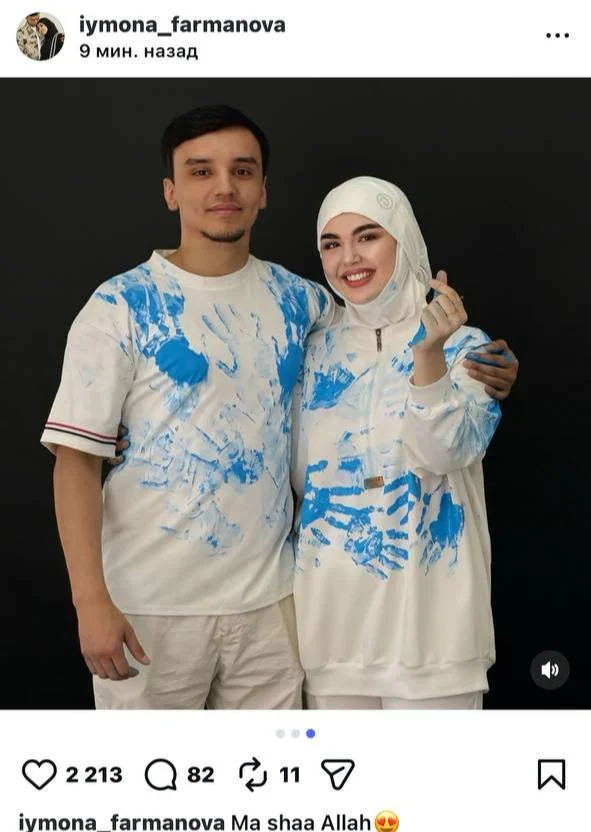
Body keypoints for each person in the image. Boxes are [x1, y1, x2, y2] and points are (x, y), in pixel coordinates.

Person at [40, 105, 337, 709]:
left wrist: (470, 358)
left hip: (272, 605)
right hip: (149, 610)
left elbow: (383, 348)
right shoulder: (121, 305)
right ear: (171, 192)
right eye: (201, 171)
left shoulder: (304, 302)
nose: (224, 187)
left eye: (242, 171)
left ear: (263, 191)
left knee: (272, 771)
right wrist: (90, 602)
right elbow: (75, 461)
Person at [291, 175, 508, 709]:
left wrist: (428, 354)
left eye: (368, 236)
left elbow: (444, 453)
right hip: (332, 639)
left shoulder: (466, 348)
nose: (349, 258)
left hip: (435, 641)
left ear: (404, 240)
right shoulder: (311, 355)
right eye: (331, 244)